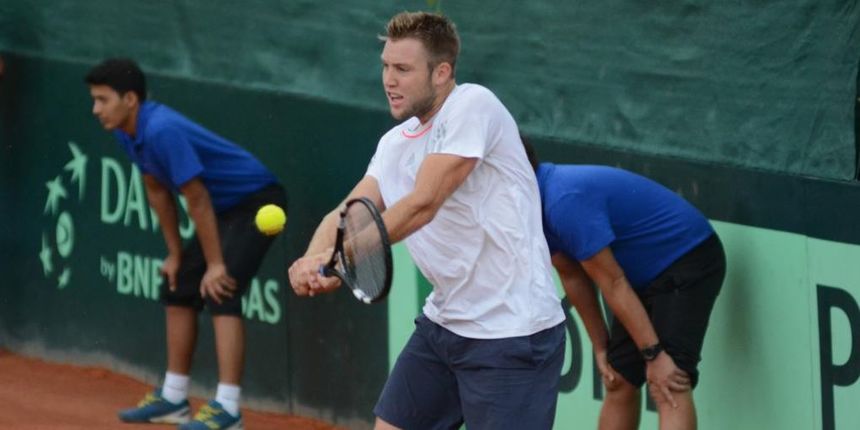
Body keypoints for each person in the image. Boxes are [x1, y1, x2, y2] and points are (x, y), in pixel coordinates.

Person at [288, 12, 566, 430]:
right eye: (385, 66)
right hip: (444, 325)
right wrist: (313, 260)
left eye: (402, 69)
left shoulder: (473, 105)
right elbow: (347, 212)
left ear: (442, 73)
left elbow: (424, 203)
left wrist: (339, 257)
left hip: (512, 334)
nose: (389, 80)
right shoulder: (394, 144)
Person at [85, 58, 287, 430]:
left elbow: (197, 198)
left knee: (221, 288)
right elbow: (156, 191)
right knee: (177, 285)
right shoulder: (126, 131)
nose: (96, 109)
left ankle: (228, 408)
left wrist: (216, 264)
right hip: (224, 210)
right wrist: (176, 255)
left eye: (102, 100)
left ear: (130, 99)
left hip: (256, 202)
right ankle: (174, 398)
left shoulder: (161, 130)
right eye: (94, 100)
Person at [523, 141, 726, 430]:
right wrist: (600, 347)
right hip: (635, 275)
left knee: (667, 382)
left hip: (686, 257)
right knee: (617, 379)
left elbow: (613, 282)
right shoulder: (528, 205)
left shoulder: (563, 200)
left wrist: (654, 354)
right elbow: (572, 275)